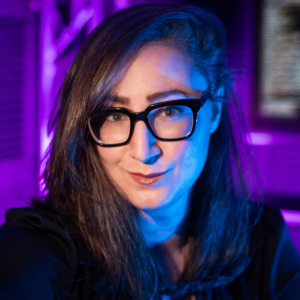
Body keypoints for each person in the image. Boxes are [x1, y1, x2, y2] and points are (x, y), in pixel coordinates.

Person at [0, 4, 300, 300]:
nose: (142, 152)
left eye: (169, 111)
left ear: (216, 109)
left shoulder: (261, 239)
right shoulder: (44, 251)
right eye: (114, 115)